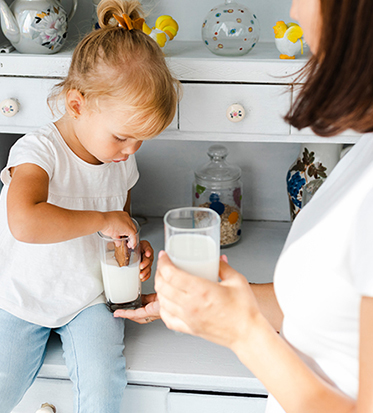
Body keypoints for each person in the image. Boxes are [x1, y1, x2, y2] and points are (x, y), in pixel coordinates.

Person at [118, 0, 373, 411]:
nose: (293, 12)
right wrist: (211, 302)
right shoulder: (365, 152)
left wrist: (241, 332)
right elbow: (323, 302)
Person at [0, 0, 179, 411]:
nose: (130, 150)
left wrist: (131, 251)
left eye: (140, 141)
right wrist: (102, 219)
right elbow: (25, 222)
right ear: (77, 104)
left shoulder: (121, 159)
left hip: (88, 299)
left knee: (104, 386)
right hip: (21, 295)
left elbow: (116, 226)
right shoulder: (38, 152)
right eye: (122, 136)